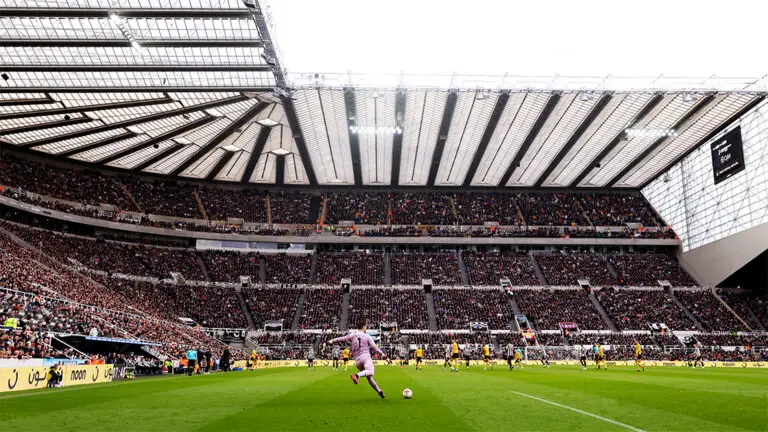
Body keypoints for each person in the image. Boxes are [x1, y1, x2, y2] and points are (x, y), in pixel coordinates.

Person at [327, 323, 389, 399]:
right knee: (370, 372)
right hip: (366, 358)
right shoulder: (367, 336)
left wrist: (332, 340)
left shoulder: (352, 335)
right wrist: (383, 355)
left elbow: (342, 338)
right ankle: (356, 376)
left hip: (357, 361)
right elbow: (375, 348)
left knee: (369, 377)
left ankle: (379, 392)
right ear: (363, 327)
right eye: (365, 327)